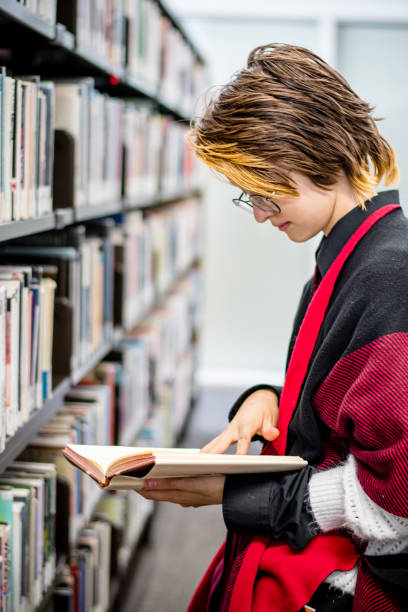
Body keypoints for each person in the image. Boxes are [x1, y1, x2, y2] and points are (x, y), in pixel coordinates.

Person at [137, 44, 408, 611]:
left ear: (318, 152)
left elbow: (398, 500)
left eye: (264, 187)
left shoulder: (387, 276)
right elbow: (350, 408)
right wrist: (270, 398)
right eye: (249, 195)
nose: (259, 213)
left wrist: (246, 496)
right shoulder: (352, 256)